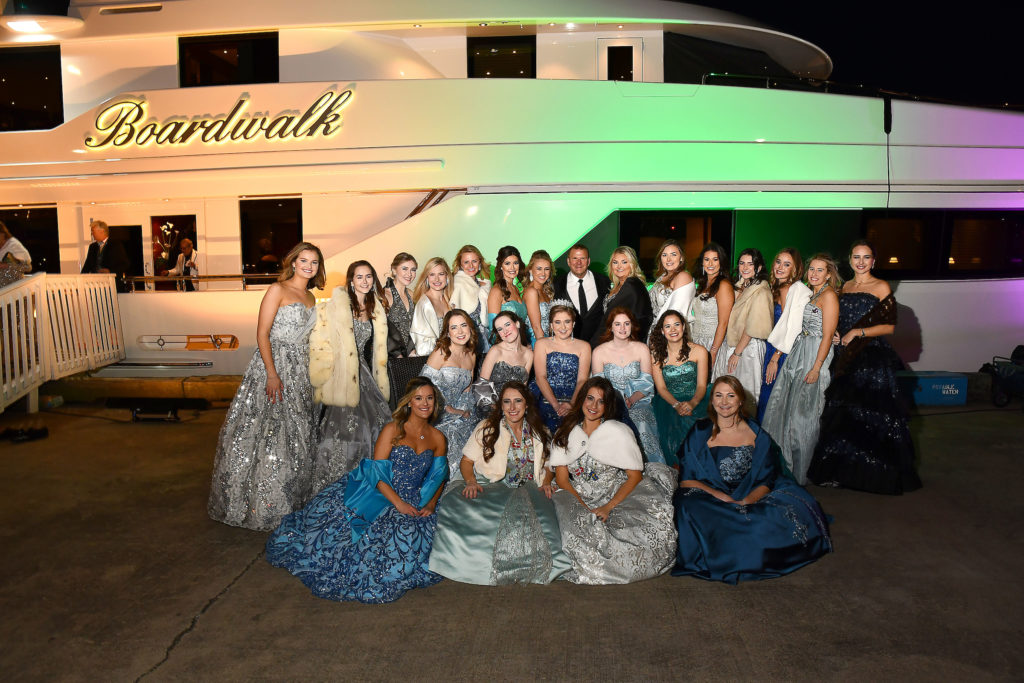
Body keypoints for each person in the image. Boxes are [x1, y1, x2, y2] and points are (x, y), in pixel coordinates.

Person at [265, 377, 448, 603]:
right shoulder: (393, 430)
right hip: (383, 493)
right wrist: (398, 504)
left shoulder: (438, 437)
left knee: (435, 536)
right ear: (409, 402)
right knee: (393, 537)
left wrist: (430, 504)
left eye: (429, 398)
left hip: (417, 499)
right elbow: (376, 473)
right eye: (418, 398)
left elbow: (439, 476)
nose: (425, 403)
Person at [208, 242, 324, 530]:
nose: (309, 266)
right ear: (293, 262)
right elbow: (262, 334)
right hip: (274, 365)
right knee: (268, 432)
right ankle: (260, 503)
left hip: (302, 370)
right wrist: (272, 374)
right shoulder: (278, 289)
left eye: (314, 262)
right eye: (304, 260)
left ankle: (290, 498)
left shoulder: (311, 297)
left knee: (297, 433)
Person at [672, 376, 832, 583]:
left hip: (748, 493)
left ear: (740, 401)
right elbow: (687, 480)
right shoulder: (699, 431)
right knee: (688, 506)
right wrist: (723, 498)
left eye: (731, 396)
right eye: (718, 396)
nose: (724, 402)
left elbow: (765, 480)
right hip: (708, 495)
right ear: (711, 401)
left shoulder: (757, 435)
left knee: (771, 518)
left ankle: (743, 548)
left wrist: (746, 502)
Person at [808, 240, 921, 494]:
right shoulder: (843, 286)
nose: (861, 262)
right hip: (844, 356)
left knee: (870, 416)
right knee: (844, 417)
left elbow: (889, 326)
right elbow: (837, 317)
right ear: (849, 260)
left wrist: (858, 332)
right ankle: (845, 474)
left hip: (870, 357)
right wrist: (838, 334)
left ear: (873, 261)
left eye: (866, 257)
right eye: (856, 257)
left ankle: (873, 475)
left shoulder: (880, 286)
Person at [429, 382, 570, 585]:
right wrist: (470, 482)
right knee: (470, 512)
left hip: (531, 486)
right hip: (492, 484)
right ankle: (478, 567)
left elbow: (549, 464)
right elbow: (466, 462)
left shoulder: (541, 431)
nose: (512, 407)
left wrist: (547, 481)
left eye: (518, 401)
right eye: (507, 402)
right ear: (501, 406)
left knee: (546, 524)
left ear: (527, 405)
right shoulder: (486, 427)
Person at [549, 377, 677, 584]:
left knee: (635, 537)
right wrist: (581, 506)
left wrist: (609, 506)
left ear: (608, 406)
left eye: (601, 401)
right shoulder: (566, 432)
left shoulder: (618, 432)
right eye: (590, 398)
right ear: (581, 400)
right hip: (575, 495)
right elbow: (562, 479)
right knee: (570, 529)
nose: (593, 406)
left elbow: (635, 476)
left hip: (613, 494)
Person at [308, 260, 392, 491]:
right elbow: (322, 341)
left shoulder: (376, 307)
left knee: (375, 425)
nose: (365, 281)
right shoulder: (338, 306)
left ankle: (370, 484)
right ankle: (339, 484)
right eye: (359, 277)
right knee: (345, 430)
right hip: (342, 373)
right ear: (351, 281)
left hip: (365, 373)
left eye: (369, 277)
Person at [761, 253, 840, 484]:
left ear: (828, 274)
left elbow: (827, 336)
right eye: (812, 269)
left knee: (805, 417)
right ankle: (787, 465)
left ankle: (803, 471)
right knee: (788, 411)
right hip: (799, 350)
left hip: (815, 354)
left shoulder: (829, 296)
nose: (814, 274)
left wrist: (817, 367)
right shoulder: (813, 293)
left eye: (819, 270)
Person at [592, 307, 665, 464]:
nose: (622, 328)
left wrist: (631, 399)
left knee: (641, 421)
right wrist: (616, 401)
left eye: (626, 323)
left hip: (638, 401)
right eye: (617, 324)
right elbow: (598, 387)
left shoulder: (642, 349)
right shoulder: (599, 352)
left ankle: (649, 467)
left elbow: (647, 383)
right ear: (610, 327)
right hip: (609, 402)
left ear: (632, 326)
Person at [419, 309, 478, 476]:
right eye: (454, 327)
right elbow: (422, 389)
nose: (460, 332)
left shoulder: (471, 354)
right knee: (452, 440)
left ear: (470, 328)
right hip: (436, 414)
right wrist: (450, 410)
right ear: (447, 332)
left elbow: (467, 390)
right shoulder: (440, 353)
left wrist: (464, 412)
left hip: (462, 413)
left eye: (463, 325)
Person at [715, 248, 773, 411]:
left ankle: (745, 433)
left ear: (759, 267)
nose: (745, 267)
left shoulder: (761, 290)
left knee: (745, 396)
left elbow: (754, 326)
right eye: (742, 263)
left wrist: (737, 353)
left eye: (750, 264)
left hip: (748, 349)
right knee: (729, 394)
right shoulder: (740, 286)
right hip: (734, 345)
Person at [650, 310, 709, 466]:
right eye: (668, 326)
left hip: (697, 397)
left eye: (677, 324)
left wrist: (692, 403)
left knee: (698, 424)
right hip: (669, 401)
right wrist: (676, 404)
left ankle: (700, 467)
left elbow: (702, 385)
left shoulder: (700, 351)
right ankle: (680, 470)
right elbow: (661, 388)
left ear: (683, 326)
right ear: (662, 331)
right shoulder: (656, 355)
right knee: (672, 430)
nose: (673, 330)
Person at [757, 248, 808, 423]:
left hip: (780, 350)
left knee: (771, 396)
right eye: (778, 262)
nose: (780, 267)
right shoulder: (777, 287)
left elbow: (791, 326)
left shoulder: (788, 289)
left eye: (787, 264)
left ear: (795, 269)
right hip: (772, 347)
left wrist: (775, 357)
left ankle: (768, 440)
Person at [530, 304, 591, 433]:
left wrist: (572, 404)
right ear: (551, 325)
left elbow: (582, 380)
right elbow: (540, 377)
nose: (563, 327)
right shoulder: (541, 344)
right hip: (545, 396)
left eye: (567, 322)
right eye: (558, 322)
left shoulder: (584, 346)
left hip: (574, 397)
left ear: (573, 324)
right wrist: (556, 405)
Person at [473, 310, 533, 419]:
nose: (505, 331)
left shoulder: (529, 354)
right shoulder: (496, 350)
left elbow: (523, 388)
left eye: (507, 325)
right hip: (492, 408)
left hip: (516, 409)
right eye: (500, 329)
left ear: (517, 324)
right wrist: (496, 408)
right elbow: (481, 385)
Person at [553, 243, 611, 347]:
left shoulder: (604, 281)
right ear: (568, 261)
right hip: (567, 346)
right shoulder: (556, 283)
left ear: (588, 261)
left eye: (582, 258)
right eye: (574, 258)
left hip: (598, 346)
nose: (578, 262)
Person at [689, 242, 734, 374]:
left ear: (721, 262)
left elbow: (723, 323)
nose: (710, 264)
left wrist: (713, 352)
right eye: (707, 259)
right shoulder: (702, 284)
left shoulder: (724, 285)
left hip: (713, 343)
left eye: (715, 259)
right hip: (696, 341)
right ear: (702, 262)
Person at [600, 246, 654, 342]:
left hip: (625, 343)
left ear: (632, 264)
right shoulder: (616, 286)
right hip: (612, 341)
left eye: (624, 262)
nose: (619, 266)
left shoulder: (632, 285)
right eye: (615, 262)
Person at [648, 239, 694, 336]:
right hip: (656, 330)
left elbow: (677, 313)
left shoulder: (683, 276)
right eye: (664, 255)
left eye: (673, 254)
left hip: (672, 334)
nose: (668, 259)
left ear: (681, 258)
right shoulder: (662, 277)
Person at [450, 244, 492, 351]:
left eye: (474, 261)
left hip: (485, 335)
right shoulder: (458, 283)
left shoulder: (484, 284)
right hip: (468, 338)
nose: (471, 266)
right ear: (460, 264)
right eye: (466, 262)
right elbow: (453, 312)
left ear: (480, 263)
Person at [487, 245, 531, 344]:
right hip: (505, 349)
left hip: (521, 345)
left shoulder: (516, 289)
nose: (512, 267)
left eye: (515, 263)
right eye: (507, 263)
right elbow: (493, 330)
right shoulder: (496, 291)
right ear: (501, 266)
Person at [410, 256, 452, 356]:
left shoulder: (450, 300)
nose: (437, 279)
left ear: (447, 276)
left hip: (452, 358)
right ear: (427, 278)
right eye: (432, 275)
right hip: (432, 360)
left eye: (441, 274)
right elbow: (422, 348)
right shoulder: (424, 304)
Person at [383, 252, 418, 358]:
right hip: (392, 356)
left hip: (412, 355)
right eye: (404, 269)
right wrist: (397, 354)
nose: (409, 274)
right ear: (394, 270)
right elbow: (382, 331)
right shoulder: (385, 295)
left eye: (413, 270)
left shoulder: (411, 294)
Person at [81, 220, 131, 291]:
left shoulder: (116, 245)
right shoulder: (92, 247)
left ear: (102, 231)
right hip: (95, 285)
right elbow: (87, 265)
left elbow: (125, 264)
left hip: (111, 285)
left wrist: (110, 271)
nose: (92, 234)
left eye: (93, 231)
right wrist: (81, 280)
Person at [523, 249, 555, 341]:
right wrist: (544, 349)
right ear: (530, 270)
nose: (543, 273)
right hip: (538, 341)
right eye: (539, 269)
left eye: (547, 269)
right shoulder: (531, 292)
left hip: (549, 339)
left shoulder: (546, 291)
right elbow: (536, 327)